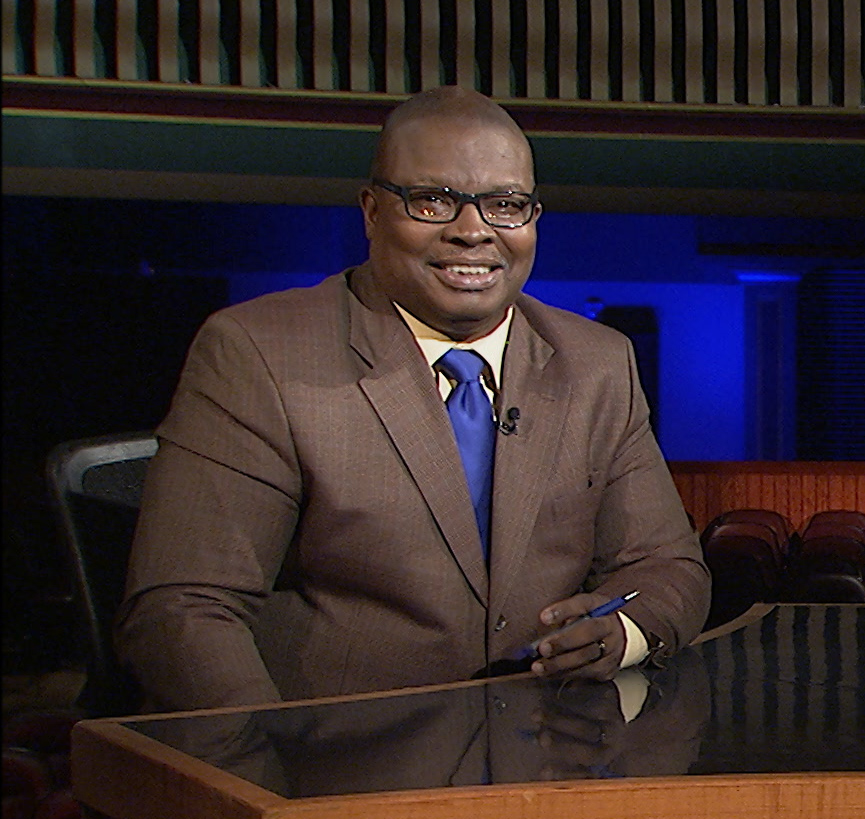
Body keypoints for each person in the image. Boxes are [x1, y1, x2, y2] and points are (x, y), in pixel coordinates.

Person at [118, 87, 709, 712]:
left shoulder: (597, 363)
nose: (473, 232)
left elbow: (668, 567)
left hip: (547, 745)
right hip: (335, 751)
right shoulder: (259, 353)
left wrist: (625, 632)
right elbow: (183, 610)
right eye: (434, 202)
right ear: (372, 212)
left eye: (505, 206)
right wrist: (260, 760)